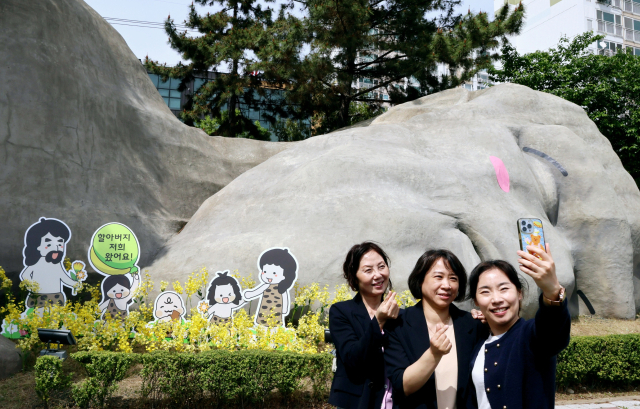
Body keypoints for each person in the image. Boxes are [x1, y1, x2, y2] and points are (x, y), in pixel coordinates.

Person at [466, 244, 571, 409]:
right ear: (476, 301)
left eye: (504, 289)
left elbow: (552, 333)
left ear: (519, 293)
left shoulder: (530, 336)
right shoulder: (479, 343)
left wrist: (552, 290)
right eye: (485, 292)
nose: (496, 299)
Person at [385, 249, 488, 409]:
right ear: (420, 280)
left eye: (453, 278)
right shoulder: (398, 324)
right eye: (438, 277)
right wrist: (434, 354)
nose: (446, 285)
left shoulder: (472, 324)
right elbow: (403, 385)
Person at [329, 242, 400, 409]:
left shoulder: (399, 315)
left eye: (381, 267)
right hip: (356, 402)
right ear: (354, 277)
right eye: (368, 270)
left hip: (392, 401)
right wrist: (379, 321)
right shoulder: (341, 311)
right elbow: (353, 358)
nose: (378, 275)